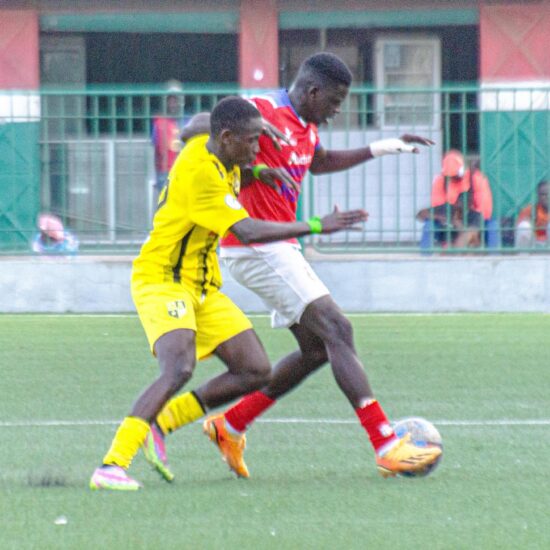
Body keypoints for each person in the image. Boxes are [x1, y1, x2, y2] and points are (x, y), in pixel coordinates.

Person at [144, 52, 441, 481]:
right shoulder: (265, 110)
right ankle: (385, 443)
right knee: (338, 328)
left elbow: (318, 162)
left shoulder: (306, 125)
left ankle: (230, 425)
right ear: (313, 91)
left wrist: (381, 147)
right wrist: (256, 143)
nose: (336, 111)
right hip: (256, 248)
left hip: (279, 249)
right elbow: (198, 126)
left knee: (318, 349)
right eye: (334, 102)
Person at [89, 96, 369, 490]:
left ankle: (162, 423)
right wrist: (317, 225)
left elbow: (195, 125)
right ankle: (112, 464)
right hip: (163, 280)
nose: (258, 148)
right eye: (252, 141)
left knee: (255, 370)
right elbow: (248, 231)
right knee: (179, 367)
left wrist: (258, 170)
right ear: (226, 138)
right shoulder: (201, 173)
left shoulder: (216, 149)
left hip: (202, 286)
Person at [417, 149, 493, 249]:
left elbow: (484, 209)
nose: (452, 179)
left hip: (472, 218)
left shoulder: (477, 179)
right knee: (433, 225)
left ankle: (458, 250)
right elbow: (437, 207)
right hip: (449, 219)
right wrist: (451, 219)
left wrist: (463, 223)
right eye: (449, 177)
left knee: (473, 228)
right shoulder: (440, 181)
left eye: (454, 176)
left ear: (462, 170)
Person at [151, 80, 187, 201]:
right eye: (170, 100)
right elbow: (154, 151)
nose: (173, 104)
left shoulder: (189, 122)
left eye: (175, 100)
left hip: (186, 171)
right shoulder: (159, 123)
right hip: (165, 173)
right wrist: (155, 176)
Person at [515, 179, 549, 248]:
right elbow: (518, 229)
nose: (547, 197)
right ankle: (523, 254)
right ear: (538, 196)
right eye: (543, 194)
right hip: (533, 245)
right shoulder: (530, 210)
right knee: (524, 226)